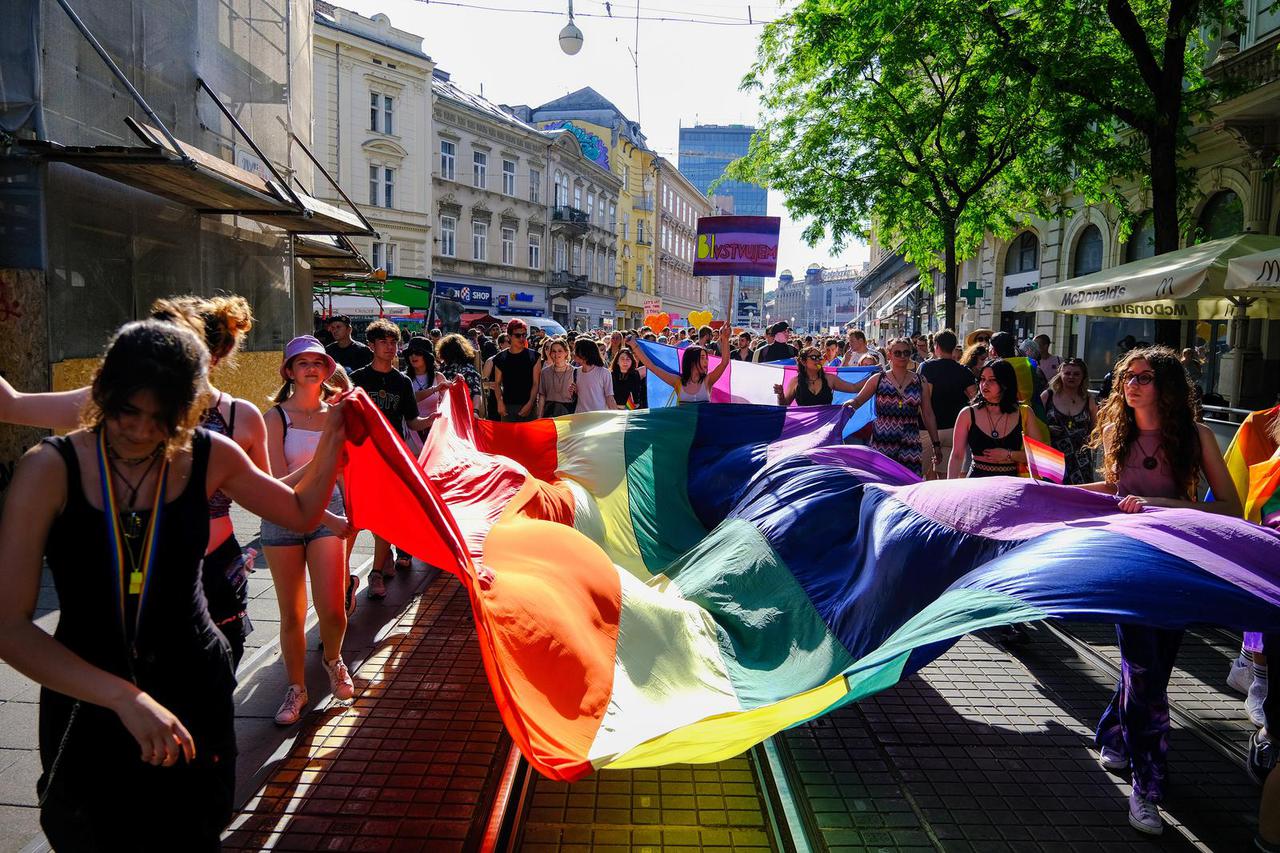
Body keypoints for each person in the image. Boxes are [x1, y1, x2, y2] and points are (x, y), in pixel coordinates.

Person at [0, 319, 345, 848]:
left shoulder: (210, 455)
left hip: (193, 685)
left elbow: (299, 512)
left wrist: (336, 432)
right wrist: (123, 698)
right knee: (89, 832)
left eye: (162, 418)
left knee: (193, 830)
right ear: (101, 396)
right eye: (126, 412)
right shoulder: (49, 468)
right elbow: (8, 626)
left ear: (190, 411)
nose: (141, 430)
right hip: (84, 689)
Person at [1080, 346, 1240, 835]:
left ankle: (1114, 732)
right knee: (1145, 670)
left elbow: (1230, 508)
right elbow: (1113, 492)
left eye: (1144, 377)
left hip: (1176, 564)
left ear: (1166, 386)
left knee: (1155, 669)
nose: (1131, 384)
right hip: (1128, 563)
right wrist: (1055, 493)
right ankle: (1147, 788)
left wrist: (1155, 504)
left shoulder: (1197, 436)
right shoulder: (1115, 431)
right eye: (1127, 376)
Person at [262, 337, 359, 725]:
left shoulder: (338, 413)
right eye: (302, 362)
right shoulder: (274, 418)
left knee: (334, 607)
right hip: (284, 516)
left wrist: (351, 507)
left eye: (318, 362)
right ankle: (296, 687)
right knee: (293, 613)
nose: (311, 368)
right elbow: (277, 484)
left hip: (330, 514)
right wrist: (321, 464)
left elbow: (348, 467)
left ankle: (334, 659)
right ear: (289, 371)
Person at [348, 319, 437, 599]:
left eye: (393, 342)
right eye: (384, 342)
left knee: (385, 514)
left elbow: (412, 420)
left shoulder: (402, 381)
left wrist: (433, 420)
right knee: (356, 515)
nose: (390, 348)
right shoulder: (359, 379)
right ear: (371, 345)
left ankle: (375, 572)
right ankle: (350, 569)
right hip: (361, 455)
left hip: (391, 455)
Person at [844, 337, 942, 476]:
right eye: (897, 353)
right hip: (882, 442)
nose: (902, 356)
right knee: (883, 483)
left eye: (906, 353)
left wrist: (936, 444)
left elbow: (928, 414)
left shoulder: (920, 381)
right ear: (889, 355)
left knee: (908, 485)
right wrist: (845, 407)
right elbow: (858, 401)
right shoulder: (878, 379)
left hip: (910, 443)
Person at [948, 359, 1042, 480]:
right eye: (982, 379)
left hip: (1012, 485)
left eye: (992, 380)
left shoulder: (1025, 413)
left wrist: (1009, 455)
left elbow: (1039, 456)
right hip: (977, 483)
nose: (984, 384)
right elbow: (956, 455)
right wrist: (949, 486)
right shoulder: (967, 413)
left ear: (1005, 384)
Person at [919, 330, 977, 480]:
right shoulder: (964, 371)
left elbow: (925, 400)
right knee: (946, 477)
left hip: (929, 429)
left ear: (936, 346)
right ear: (953, 347)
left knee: (924, 475)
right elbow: (975, 398)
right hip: (955, 428)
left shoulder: (927, 367)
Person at [636, 323, 731, 403]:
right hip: (682, 426)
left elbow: (724, 362)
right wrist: (634, 345)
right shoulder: (677, 382)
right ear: (692, 360)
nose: (706, 361)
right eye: (702, 358)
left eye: (706, 358)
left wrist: (725, 338)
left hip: (703, 425)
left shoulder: (708, 380)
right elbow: (652, 367)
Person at [1041, 357, 1098, 485]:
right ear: (1060, 374)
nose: (1071, 377)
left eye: (1076, 374)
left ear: (1083, 377)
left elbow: (1096, 427)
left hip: (1081, 460)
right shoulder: (1047, 396)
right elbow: (1033, 424)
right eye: (1067, 373)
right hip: (1053, 458)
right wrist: (1047, 429)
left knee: (1080, 499)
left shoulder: (1088, 399)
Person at [774, 345, 867, 406]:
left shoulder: (830, 379)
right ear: (803, 362)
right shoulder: (795, 381)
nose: (817, 360)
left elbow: (854, 387)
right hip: (804, 429)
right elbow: (784, 406)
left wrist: (874, 376)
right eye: (813, 357)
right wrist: (780, 395)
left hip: (825, 427)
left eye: (819, 357)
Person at [404, 336, 450, 457]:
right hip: (410, 431)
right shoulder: (403, 378)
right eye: (410, 353)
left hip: (434, 430)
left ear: (427, 356)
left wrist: (455, 385)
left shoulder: (438, 377)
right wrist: (434, 389)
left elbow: (449, 403)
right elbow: (409, 400)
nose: (413, 356)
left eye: (418, 353)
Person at [493, 319, 541, 422]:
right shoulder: (501, 357)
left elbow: (536, 383)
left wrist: (530, 403)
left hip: (529, 406)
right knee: (508, 438)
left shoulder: (534, 356)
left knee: (529, 438)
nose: (522, 338)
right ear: (509, 336)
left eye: (524, 335)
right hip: (508, 407)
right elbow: (497, 383)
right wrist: (499, 402)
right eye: (518, 335)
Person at [436, 333, 484, 417]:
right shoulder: (468, 369)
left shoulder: (442, 370)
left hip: (447, 414)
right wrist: (475, 412)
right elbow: (476, 392)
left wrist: (475, 412)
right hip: (462, 414)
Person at [571, 338, 617, 412]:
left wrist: (618, 417)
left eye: (576, 350)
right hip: (580, 416)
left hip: (598, 417)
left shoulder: (604, 373)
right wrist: (574, 391)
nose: (573, 353)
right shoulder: (576, 372)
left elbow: (609, 398)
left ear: (584, 353)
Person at [538, 338, 577, 417]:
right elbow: (542, 396)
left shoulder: (575, 372)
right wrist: (539, 416)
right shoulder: (545, 372)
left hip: (568, 412)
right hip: (549, 412)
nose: (556, 354)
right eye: (554, 351)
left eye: (560, 351)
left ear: (566, 352)